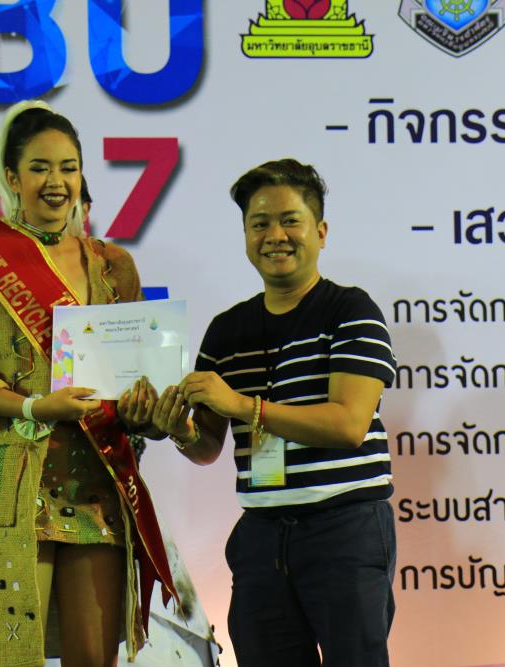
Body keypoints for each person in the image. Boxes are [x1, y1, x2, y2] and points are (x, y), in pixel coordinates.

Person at [0, 100, 178, 667]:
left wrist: (146, 406)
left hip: (96, 481)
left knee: (94, 655)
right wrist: (35, 407)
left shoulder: (114, 265)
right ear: (11, 177)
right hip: (12, 483)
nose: (56, 182)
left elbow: (135, 370)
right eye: (39, 168)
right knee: (1, 658)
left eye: (69, 168)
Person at [154, 159, 398, 666]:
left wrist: (244, 406)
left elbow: (348, 425)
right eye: (259, 223)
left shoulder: (351, 311)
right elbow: (207, 445)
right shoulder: (226, 330)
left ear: (321, 232)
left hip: (344, 526)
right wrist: (179, 429)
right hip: (261, 534)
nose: (275, 236)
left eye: (290, 221)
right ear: (246, 236)